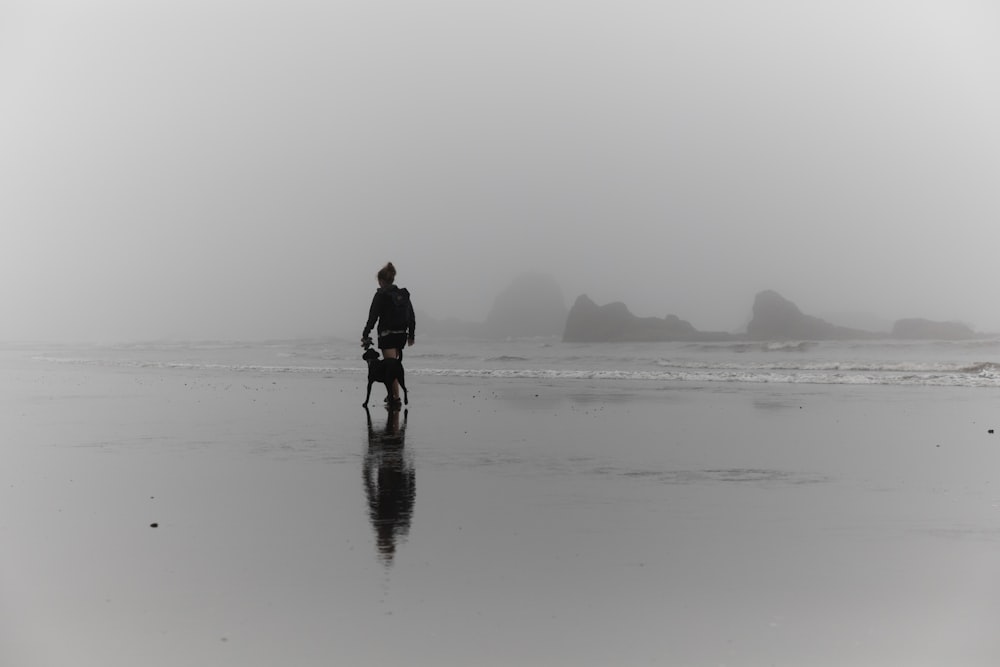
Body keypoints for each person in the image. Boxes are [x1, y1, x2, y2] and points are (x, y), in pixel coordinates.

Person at [361, 262, 415, 404]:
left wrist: (365, 334)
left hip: (387, 336)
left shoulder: (381, 295)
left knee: (391, 368)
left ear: (381, 281)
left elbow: (373, 317)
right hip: (401, 335)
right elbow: (411, 315)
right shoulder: (402, 295)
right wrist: (411, 335)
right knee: (394, 366)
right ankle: (393, 395)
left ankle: (395, 398)